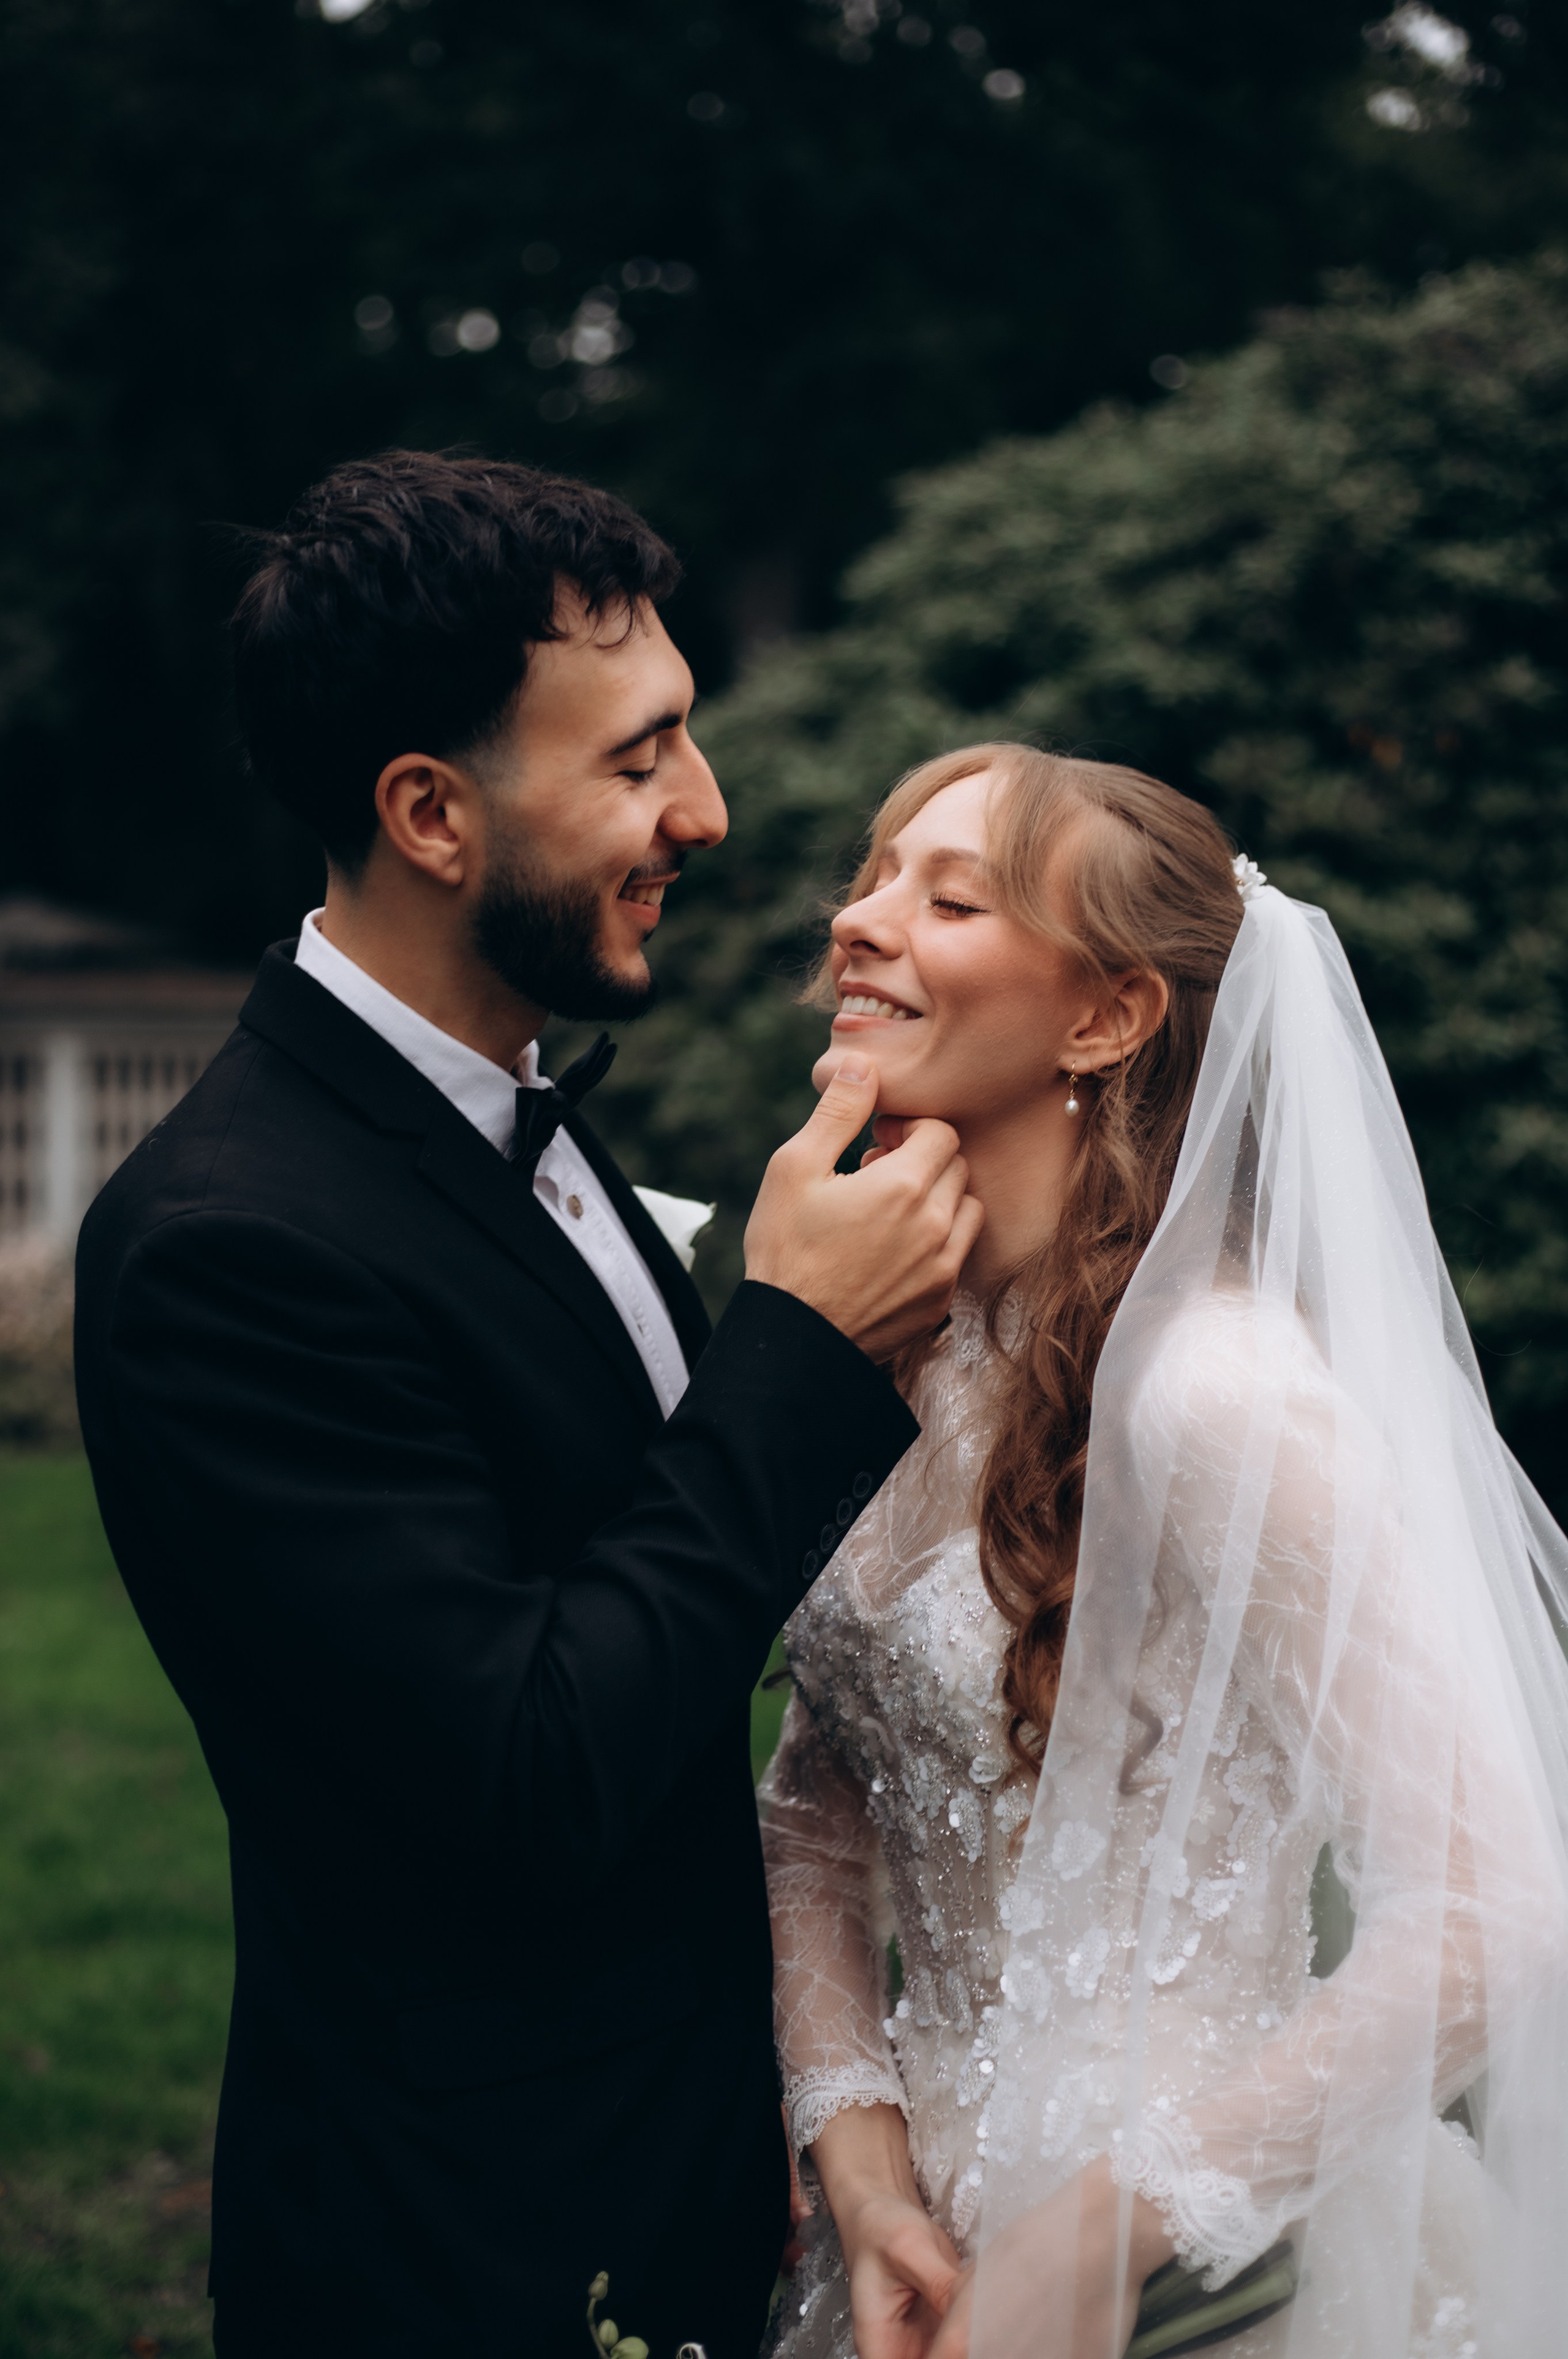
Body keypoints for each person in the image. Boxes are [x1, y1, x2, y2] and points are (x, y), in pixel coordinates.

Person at [72, 453, 984, 2359]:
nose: (709, 814)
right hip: (473, 2255)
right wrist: (801, 1345)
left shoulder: (521, 1118)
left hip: (702, 2183)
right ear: (430, 811)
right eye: (641, 758)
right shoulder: (225, 1249)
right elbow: (527, 1774)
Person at [760, 741, 1568, 2359]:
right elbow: (815, 1811)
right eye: (873, 870)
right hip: (921, 2251)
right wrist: (855, 2146)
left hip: (1210, 2283)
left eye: (949, 892)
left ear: (1106, 1015)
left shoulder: (1214, 1390)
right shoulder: (888, 1350)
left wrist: (1118, 2223)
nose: (860, 916)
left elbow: (1494, 1898)